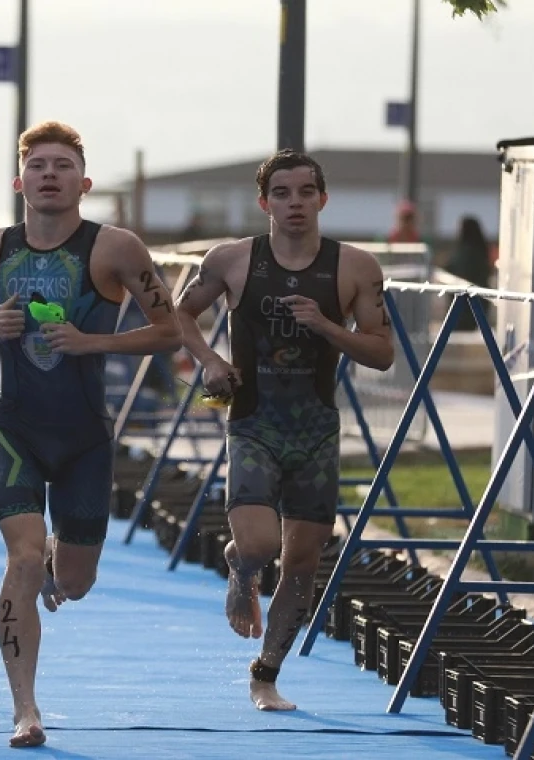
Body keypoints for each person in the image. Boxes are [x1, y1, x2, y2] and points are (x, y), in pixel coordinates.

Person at [0, 121, 182, 748]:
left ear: (84, 181)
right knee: (18, 558)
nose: (49, 174)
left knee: (74, 582)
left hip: (85, 439)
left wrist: (92, 341)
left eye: (63, 166)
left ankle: (53, 560)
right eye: (38, 165)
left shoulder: (116, 248)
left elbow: (170, 332)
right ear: (19, 181)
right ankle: (26, 710)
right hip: (15, 426)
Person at [173, 149, 394, 713]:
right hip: (253, 420)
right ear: (263, 202)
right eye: (282, 194)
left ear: (322, 198)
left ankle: (265, 673)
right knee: (260, 544)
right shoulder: (232, 259)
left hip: (316, 428)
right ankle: (240, 564)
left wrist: (324, 325)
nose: (294, 203)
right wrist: (210, 360)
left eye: (304, 193)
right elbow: (180, 312)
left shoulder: (356, 267)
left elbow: (382, 353)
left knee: (301, 562)